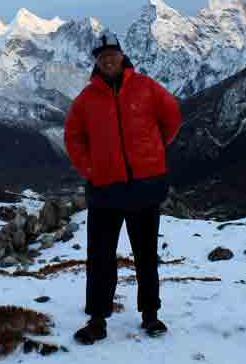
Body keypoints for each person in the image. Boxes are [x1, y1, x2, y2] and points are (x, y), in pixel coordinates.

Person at [64, 34, 181, 344]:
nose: (107, 59)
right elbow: (73, 138)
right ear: (96, 61)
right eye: (102, 56)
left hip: (145, 186)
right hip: (104, 190)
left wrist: (155, 152)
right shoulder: (86, 99)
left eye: (112, 54)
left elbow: (172, 116)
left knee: (146, 254)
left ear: (121, 56)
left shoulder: (146, 87)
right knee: (100, 257)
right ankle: (98, 319)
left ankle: (150, 315)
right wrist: (89, 168)